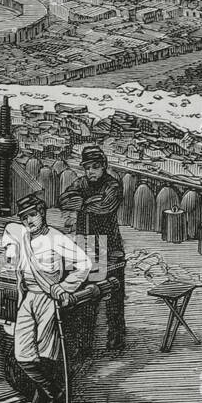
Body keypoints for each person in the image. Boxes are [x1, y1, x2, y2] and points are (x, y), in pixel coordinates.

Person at [0, 194, 93, 403]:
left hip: (47, 299)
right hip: (28, 298)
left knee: (45, 355)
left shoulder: (55, 238)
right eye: (24, 217)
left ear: (42, 213)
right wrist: (9, 255)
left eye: (33, 214)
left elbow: (84, 264)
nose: (29, 221)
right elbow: (8, 233)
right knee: (23, 355)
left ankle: (45, 401)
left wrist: (64, 287)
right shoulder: (20, 234)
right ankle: (55, 393)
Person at [57, 145, 126, 352]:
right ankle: (84, 344)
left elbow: (105, 206)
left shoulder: (113, 185)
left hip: (109, 247)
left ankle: (116, 341)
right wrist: (88, 202)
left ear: (104, 166)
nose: (91, 172)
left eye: (95, 167)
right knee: (86, 297)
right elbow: (64, 200)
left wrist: (83, 203)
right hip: (85, 246)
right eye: (87, 168)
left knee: (114, 298)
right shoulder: (81, 182)